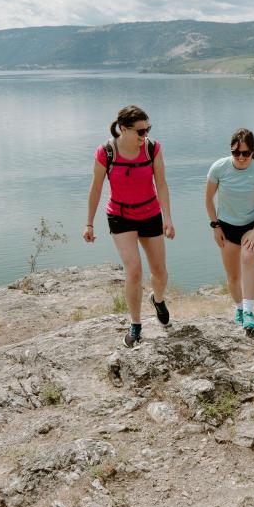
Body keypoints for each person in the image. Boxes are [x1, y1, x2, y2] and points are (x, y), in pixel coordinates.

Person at [84, 105, 175, 347]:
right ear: (123, 129)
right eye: (141, 131)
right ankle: (135, 325)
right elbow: (96, 189)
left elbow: (162, 184)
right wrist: (89, 224)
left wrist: (168, 219)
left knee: (160, 272)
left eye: (148, 129)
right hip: (120, 216)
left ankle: (157, 299)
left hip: (150, 213)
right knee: (134, 270)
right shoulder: (106, 152)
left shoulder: (152, 149)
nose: (145, 135)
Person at [205, 128, 254, 336]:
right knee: (233, 275)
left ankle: (250, 312)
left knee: (247, 257)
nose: (241, 157)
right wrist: (215, 226)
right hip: (226, 226)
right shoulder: (219, 168)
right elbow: (208, 199)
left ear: (253, 151)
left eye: (246, 153)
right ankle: (239, 307)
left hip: (253, 225)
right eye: (237, 153)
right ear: (231, 150)